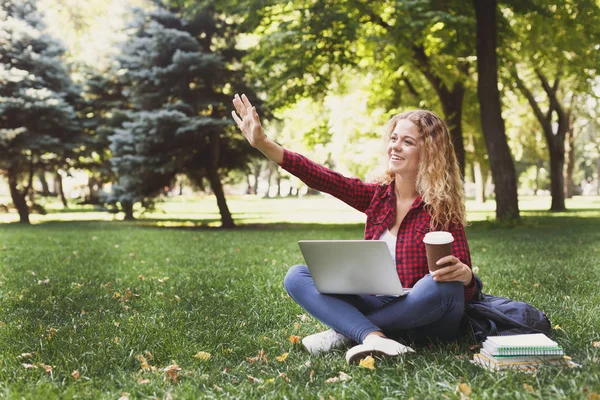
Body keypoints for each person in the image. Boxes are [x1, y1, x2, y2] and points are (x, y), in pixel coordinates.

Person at [231, 93, 476, 364]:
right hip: (378, 301)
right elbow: (324, 178)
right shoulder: (377, 198)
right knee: (296, 276)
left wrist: (466, 277)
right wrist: (264, 144)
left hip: (426, 318)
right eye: (394, 138)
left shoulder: (442, 210)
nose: (395, 147)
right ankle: (375, 337)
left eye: (407, 142)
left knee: (441, 287)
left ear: (429, 152)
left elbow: (463, 294)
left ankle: (349, 331)